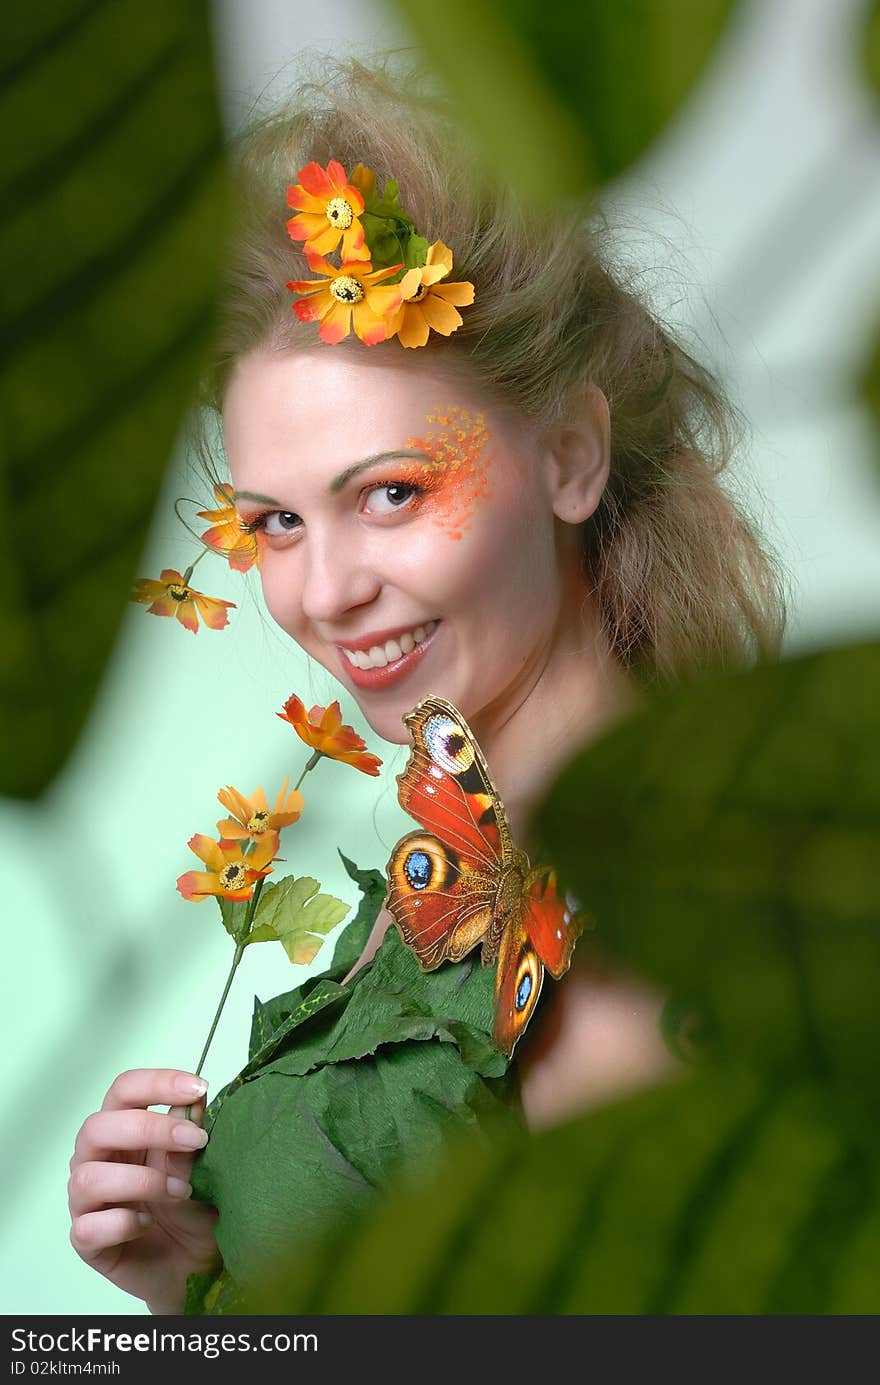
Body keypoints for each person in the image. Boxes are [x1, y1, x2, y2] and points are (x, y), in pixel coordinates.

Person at [67, 57, 786, 1314]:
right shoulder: (449, 871)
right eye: (277, 523)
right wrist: (198, 1283)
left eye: (390, 492)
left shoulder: (621, 951)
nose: (326, 590)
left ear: (568, 454)